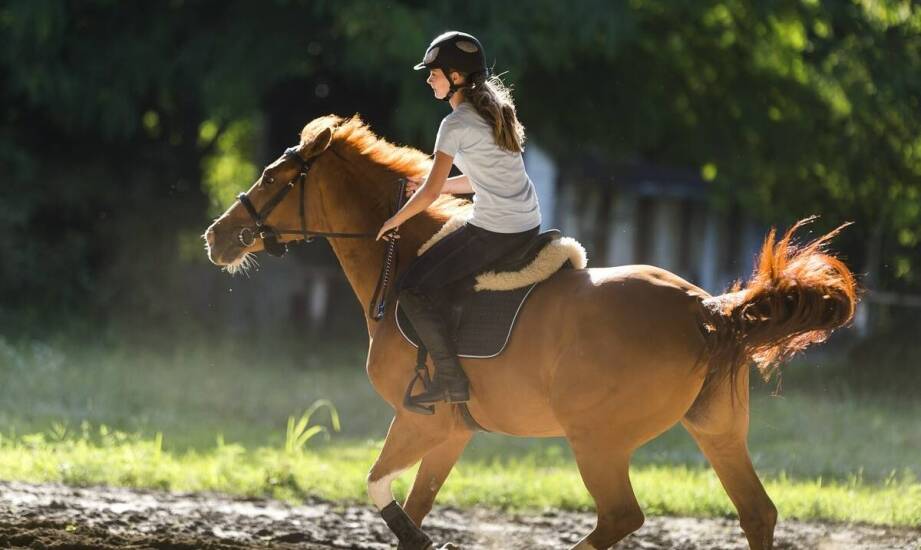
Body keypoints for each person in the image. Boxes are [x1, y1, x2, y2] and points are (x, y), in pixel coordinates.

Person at [375, 31, 542, 406]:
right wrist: (430, 185)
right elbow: (477, 179)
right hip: (525, 222)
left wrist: (394, 221)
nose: (428, 79)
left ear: (455, 77)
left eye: (433, 73)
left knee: (412, 287)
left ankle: (451, 381)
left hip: (495, 229)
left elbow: (430, 195)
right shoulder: (492, 110)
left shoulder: (454, 124)